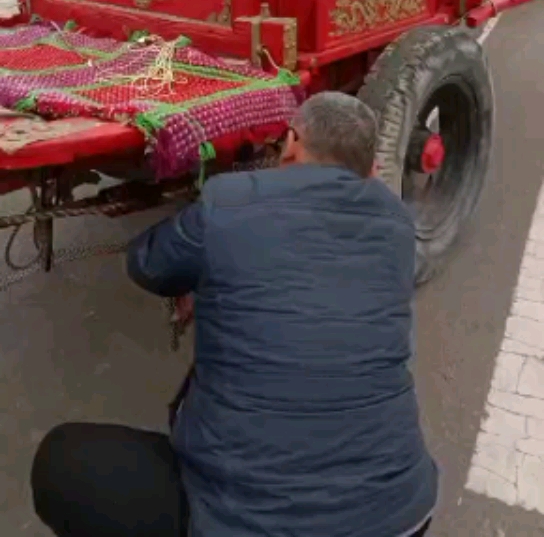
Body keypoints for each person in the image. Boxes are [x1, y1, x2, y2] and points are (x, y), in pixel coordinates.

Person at [31, 92, 438, 537]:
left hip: (249, 524)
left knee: (62, 459)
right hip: (402, 515)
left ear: (291, 143)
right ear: (372, 170)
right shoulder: (398, 227)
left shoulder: (229, 200)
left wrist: (208, 272)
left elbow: (147, 264)